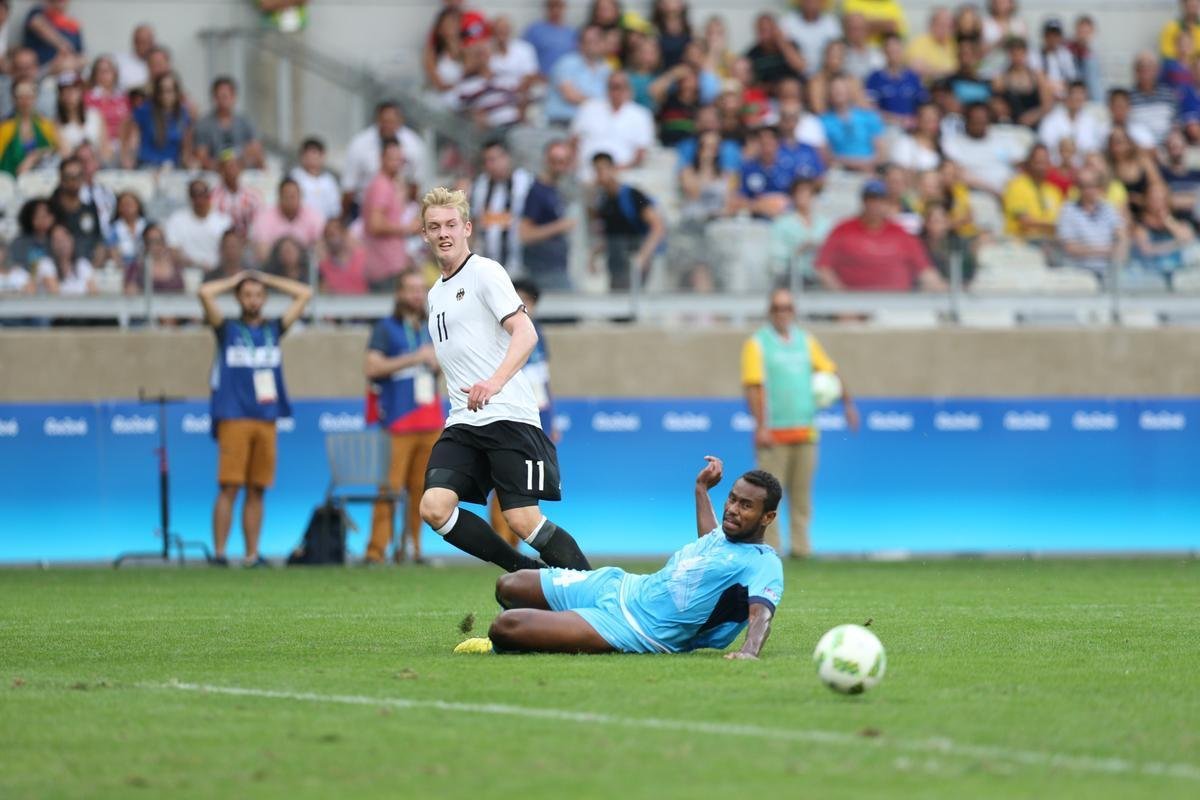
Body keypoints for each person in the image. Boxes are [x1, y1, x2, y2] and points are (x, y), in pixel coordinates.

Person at [415, 186, 591, 574]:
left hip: (508, 415)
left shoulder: (485, 272)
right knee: (434, 507)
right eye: (435, 226)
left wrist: (493, 383)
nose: (443, 233)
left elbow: (526, 333)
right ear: (424, 234)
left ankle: (599, 593)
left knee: (522, 520)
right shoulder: (434, 294)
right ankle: (523, 571)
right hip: (463, 421)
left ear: (467, 228)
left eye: (451, 225)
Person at [453, 457, 784, 657]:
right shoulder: (723, 538)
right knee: (509, 585)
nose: (733, 509)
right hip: (618, 585)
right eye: (732, 499)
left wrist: (749, 651)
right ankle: (555, 624)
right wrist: (701, 490)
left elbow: (761, 615)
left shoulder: (763, 563)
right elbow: (709, 538)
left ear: (767, 517)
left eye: (746, 505)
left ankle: (519, 639)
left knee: (505, 626)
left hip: (633, 628)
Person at [199, 269, 312, 567]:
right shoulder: (226, 328)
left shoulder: (274, 329)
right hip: (234, 416)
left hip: (266, 418)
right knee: (229, 487)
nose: (253, 300)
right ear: (238, 298)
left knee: (257, 488)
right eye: (247, 294)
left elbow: (305, 294)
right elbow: (204, 293)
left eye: (258, 295)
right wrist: (236, 279)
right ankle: (220, 554)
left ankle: (251, 555)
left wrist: (265, 278)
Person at [742, 289, 856, 558]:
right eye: (777, 308)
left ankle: (801, 549)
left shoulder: (806, 341)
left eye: (787, 308)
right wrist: (761, 426)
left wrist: (848, 403)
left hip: (805, 432)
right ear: (770, 312)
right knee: (769, 497)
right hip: (774, 433)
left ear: (793, 311)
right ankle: (769, 550)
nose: (783, 313)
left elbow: (830, 371)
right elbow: (753, 387)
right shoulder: (757, 344)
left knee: (802, 495)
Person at [364, 269, 444, 564]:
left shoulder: (431, 326)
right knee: (389, 488)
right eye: (410, 289)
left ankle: (412, 549)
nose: (416, 295)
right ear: (399, 293)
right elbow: (372, 367)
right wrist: (415, 357)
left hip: (430, 421)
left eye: (420, 289)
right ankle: (376, 551)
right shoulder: (385, 328)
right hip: (398, 422)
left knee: (422, 490)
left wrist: (436, 363)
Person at [816, 180, 947, 291]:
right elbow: (823, 267)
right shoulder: (843, 230)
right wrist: (841, 298)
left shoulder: (899, 233)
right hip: (854, 302)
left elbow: (925, 270)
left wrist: (944, 290)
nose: (874, 205)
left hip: (896, 303)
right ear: (863, 202)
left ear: (887, 203)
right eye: (870, 199)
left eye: (880, 200)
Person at [591, 152, 666, 290]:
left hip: (636, 263)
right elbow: (609, 234)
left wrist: (643, 256)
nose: (600, 174)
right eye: (596, 170)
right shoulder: (603, 200)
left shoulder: (633, 195)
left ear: (613, 169)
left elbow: (658, 226)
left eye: (603, 169)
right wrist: (593, 256)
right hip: (616, 264)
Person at [341, 100, 428, 212]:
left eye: (392, 121)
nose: (388, 126)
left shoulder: (414, 145)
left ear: (401, 121)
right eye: (385, 121)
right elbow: (349, 186)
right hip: (365, 207)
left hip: (401, 207)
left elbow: (416, 183)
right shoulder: (359, 144)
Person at [571, 71, 655, 178]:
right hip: (586, 173)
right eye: (611, 87)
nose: (615, 91)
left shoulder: (642, 115)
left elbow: (641, 153)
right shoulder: (588, 108)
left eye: (619, 87)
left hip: (622, 175)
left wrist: (613, 172)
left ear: (628, 89)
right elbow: (573, 141)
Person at [362, 138, 419, 291]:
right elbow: (375, 225)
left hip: (391, 264)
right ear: (381, 158)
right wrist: (407, 228)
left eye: (399, 159)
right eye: (392, 159)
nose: (397, 163)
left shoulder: (388, 184)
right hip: (384, 266)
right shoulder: (381, 185)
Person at [471, 139, 534, 274]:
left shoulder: (525, 182)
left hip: (519, 266)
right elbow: (475, 220)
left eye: (494, 159)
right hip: (487, 265)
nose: (491, 165)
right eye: (487, 161)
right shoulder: (480, 185)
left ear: (507, 157)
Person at [520, 139, 576, 290]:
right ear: (546, 161)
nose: (559, 167)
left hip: (557, 266)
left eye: (563, 162)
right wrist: (560, 226)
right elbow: (525, 234)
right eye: (554, 161)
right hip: (543, 270)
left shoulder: (556, 190)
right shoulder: (537, 191)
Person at [1057, 166, 1129, 278]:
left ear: (1099, 187)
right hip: (1078, 272)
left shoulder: (1108, 208)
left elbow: (1122, 236)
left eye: (1091, 185)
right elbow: (1070, 248)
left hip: (1108, 271)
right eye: (1082, 186)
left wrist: (1119, 256)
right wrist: (1106, 251)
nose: (1087, 190)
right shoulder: (1068, 210)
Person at [943, 102, 1024, 194]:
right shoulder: (953, 143)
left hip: (1011, 188)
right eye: (975, 120)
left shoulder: (1003, 138)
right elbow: (957, 173)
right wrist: (993, 190)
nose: (979, 123)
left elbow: (1020, 164)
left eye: (983, 119)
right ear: (967, 120)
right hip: (978, 192)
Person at [193, 76, 265, 170]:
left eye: (225, 97)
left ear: (234, 97)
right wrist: (224, 167)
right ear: (214, 98)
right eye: (219, 97)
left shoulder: (245, 122)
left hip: (243, 172)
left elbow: (257, 152)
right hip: (215, 173)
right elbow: (201, 157)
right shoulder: (204, 125)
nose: (222, 101)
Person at [545, 25, 611, 127]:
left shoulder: (606, 69)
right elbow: (570, 95)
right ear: (580, 44)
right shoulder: (567, 62)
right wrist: (600, 104)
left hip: (594, 122)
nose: (594, 45)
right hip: (564, 121)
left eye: (598, 41)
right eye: (590, 41)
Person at [768, 177, 831, 283]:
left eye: (808, 193)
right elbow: (777, 258)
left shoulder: (825, 223)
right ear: (793, 196)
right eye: (800, 193)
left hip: (821, 277)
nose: (804, 197)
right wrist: (798, 251)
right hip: (792, 277)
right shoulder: (782, 223)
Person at [123, 72, 192, 168]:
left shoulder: (183, 113)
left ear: (176, 92)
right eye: (161, 91)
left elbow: (186, 147)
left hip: (173, 167)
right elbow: (133, 141)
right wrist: (129, 160)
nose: (165, 95)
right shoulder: (144, 110)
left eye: (169, 91)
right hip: (147, 165)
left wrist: (189, 164)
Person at [165, 179, 233, 273]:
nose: (199, 199)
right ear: (190, 197)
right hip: (186, 272)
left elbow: (230, 251)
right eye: (194, 195)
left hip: (218, 272)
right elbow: (173, 251)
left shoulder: (224, 221)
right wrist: (197, 265)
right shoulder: (176, 220)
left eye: (202, 194)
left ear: (209, 195)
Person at [820, 75, 885, 172]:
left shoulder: (869, 117)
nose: (838, 92)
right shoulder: (823, 121)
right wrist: (851, 163)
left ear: (849, 91)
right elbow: (825, 154)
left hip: (868, 169)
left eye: (842, 88)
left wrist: (867, 164)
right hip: (839, 170)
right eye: (834, 89)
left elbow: (881, 153)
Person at [49, 155, 105, 266]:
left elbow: (98, 239)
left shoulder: (90, 208)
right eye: (69, 177)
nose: (74, 181)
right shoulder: (51, 209)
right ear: (61, 179)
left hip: (88, 265)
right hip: (60, 266)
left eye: (78, 176)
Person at [251, 177, 324, 260]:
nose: (289, 200)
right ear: (279, 197)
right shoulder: (265, 217)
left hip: (304, 262)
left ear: (300, 197)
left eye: (292, 196)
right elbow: (262, 250)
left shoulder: (313, 215)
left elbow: (320, 244)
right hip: (274, 263)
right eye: (286, 196)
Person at [1002, 144, 1064, 241]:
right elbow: (1025, 221)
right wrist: (1056, 225)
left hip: (1050, 242)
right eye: (1038, 162)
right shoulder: (1016, 186)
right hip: (1023, 241)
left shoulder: (1054, 191)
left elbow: (1061, 218)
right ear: (1029, 164)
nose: (1042, 167)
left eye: (1045, 162)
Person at [866, 33, 929, 130]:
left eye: (896, 50)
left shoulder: (913, 77)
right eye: (890, 50)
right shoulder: (874, 78)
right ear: (883, 51)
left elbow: (924, 105)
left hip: (913, 128)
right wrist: (898, 120)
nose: (893, 54)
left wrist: (915, 120)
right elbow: (871, 109)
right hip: (886, 128)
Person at [0, 79, 58, 175]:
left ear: (35, 98)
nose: (25, 101)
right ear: (13, 99)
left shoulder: (45, 125)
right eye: (20, 97)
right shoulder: (5, 128)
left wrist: (35, 156)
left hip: (43, 178)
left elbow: (63, 151)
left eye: (29, 96)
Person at [1038, 81, 1102, 159]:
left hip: (1084, 164)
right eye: (1074, 94)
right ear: (1067, 96)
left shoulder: (1091, 121)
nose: (1077, 98)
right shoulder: (1050, 120)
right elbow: (1045, 147)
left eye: (1081, 94)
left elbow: (1094, 149)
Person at [210, 152, 263, 238]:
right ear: (221, 171)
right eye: (229, 167)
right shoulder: (212, 196)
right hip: (220, 240)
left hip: (247, 240)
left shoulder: (253, 196)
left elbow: (259, 223)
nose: (233, 170)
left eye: (235, 166)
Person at [289, 137, 341, 223]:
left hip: (325, 226)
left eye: (315, 153)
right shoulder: (294, 177)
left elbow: (335, 210)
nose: (312, 158)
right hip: (300, 224)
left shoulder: (329, 181)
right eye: (308, 154)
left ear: (322, 156)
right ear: (302, 156)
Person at [35, 222, 95, 295]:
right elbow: (55, 292)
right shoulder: (45, 264)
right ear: (52, 244)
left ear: (72, 239)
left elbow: (93, 292)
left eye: (64, 238)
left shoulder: (83, 264)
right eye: (57, 240)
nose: (62, 244)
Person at [781, 0, 839, 76]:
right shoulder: (788, 21)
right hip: (794, 74)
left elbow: (836, 54)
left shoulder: (831, 23)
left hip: (825, 74)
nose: (811, 2)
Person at [123, 223, 184, 295]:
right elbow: (129, 291)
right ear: (145, 244)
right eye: (151, 241)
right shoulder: (136, 268)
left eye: (159, 241)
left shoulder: (175, 266)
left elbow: (182, 291)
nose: (156, 246)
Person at [523, 0, 577, 77]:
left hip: (566, 80)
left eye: (559, 6)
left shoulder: (572, 33)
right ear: (546, 8)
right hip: (540, 79)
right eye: (552, 6)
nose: (555, 10)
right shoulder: (534, 30)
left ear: (564, 8)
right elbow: (524, 55)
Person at [317, 218, 368, 295]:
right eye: (329, 235)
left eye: (336, 233)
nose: (333, 239)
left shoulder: (363, 258)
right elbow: (322, 293)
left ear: (345, 233)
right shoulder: (323, 268)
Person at [906, 6, 957, 80]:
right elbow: (917, 68)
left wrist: (932, 69)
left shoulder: (955, 43)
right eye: (942, 24)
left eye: (949, 26)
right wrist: (947, 72)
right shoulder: (919, 42)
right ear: (932, 25)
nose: (945, 29)